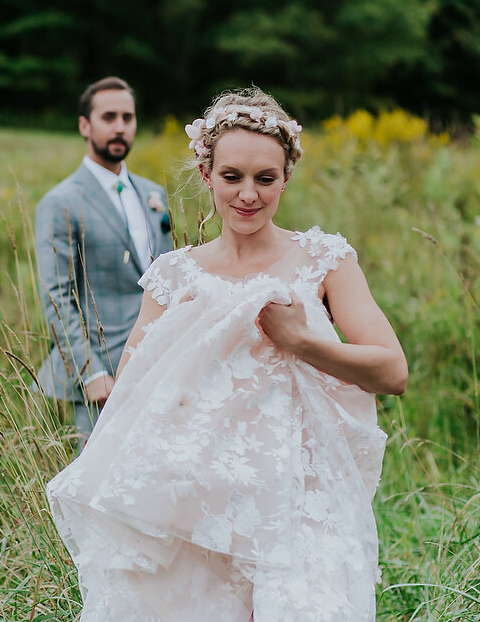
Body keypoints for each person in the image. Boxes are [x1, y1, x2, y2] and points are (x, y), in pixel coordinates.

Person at [46, 88, 408, 621]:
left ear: (286, 178)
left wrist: (302, 341)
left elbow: (393, 371)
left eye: (266, 179)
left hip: (299, 501)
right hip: (199, 503)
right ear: (205, 174)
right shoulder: (174, 277)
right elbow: (130, 398)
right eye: (232, 176)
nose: (248, 195)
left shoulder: (325, 260)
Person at [34, 77, 174, 445]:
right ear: (85, 125)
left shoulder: (153, 194)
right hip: (103, 374)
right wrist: (90, 372)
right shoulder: (60, 202)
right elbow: (57, 295)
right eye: (108, 117)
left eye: (127, 117)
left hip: (160, 363)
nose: (119, 127)